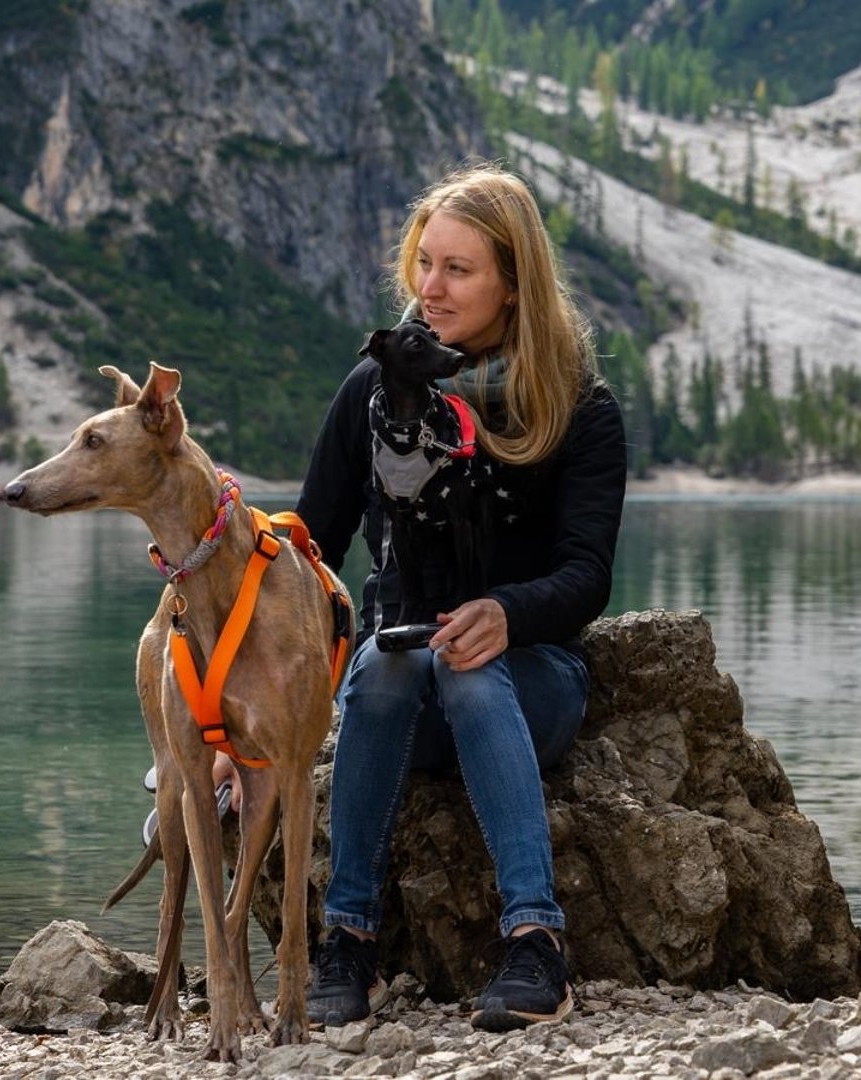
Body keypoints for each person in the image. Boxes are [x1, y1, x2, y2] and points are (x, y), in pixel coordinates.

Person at [293, 161, 627, 1032]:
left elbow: (587, 575)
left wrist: (507, 614)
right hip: (399, 703)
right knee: (390, 659)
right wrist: (235, 724)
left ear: (513, 286)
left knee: (473, 668)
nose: (429, 290)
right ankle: (349, 939)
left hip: (533, 681)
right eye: (424, 263)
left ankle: (535, 948)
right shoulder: (373, 391)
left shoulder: (580, 407)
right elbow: (307, 556)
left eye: (458, 270)